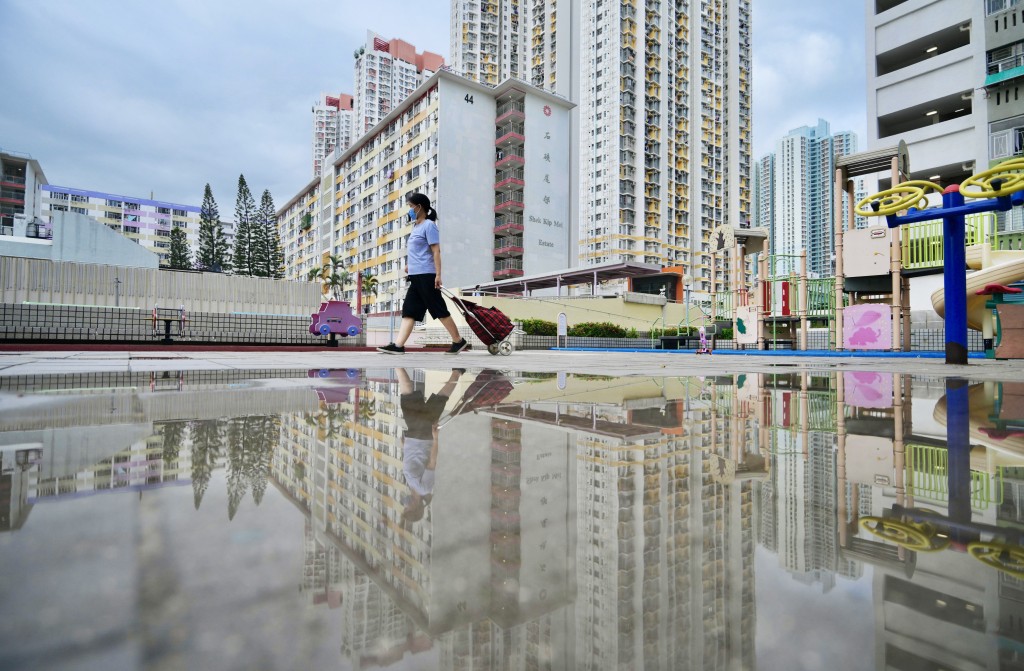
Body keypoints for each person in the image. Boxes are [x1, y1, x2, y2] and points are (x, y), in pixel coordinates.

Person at [377, 192, 469, 355]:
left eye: (411, 207)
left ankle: (458, 341)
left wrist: (438, 275)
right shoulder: (416, 227)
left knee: (438, 309)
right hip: (416, 275)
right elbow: (419, 252)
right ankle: (398, 346)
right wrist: (409, 266)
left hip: (427, 275)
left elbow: (436, 251)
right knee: (410, 309)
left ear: (420, 207)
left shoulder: (429, 225)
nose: (410, 210)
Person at [397, 367, 463, 523]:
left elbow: (413, 460)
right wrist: (436, 438)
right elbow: (432, 463)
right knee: (408, 398)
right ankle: (397, 365)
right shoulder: (424, 488)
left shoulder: (412, 486)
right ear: (415, 507)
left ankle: (457, 372)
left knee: (438, 399)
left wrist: (404, 446)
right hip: (423, 434)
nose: (404, 505)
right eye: (407, 508)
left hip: (414, 436)